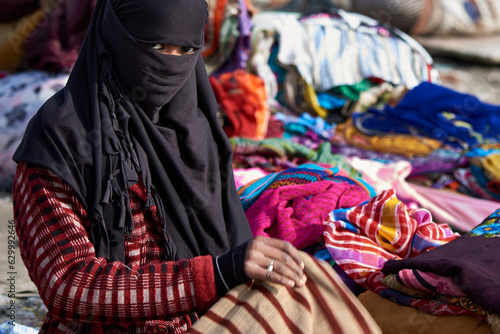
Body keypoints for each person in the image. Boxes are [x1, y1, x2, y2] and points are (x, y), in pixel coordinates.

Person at [12, 0, 381, 332]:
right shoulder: (63, 139)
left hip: (208, 321)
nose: (168, 65)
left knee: (316, 291)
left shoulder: (197, 134)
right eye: (154, 47)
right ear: (115, 36)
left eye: (185, 50)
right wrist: (215, 274)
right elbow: (67, 285)